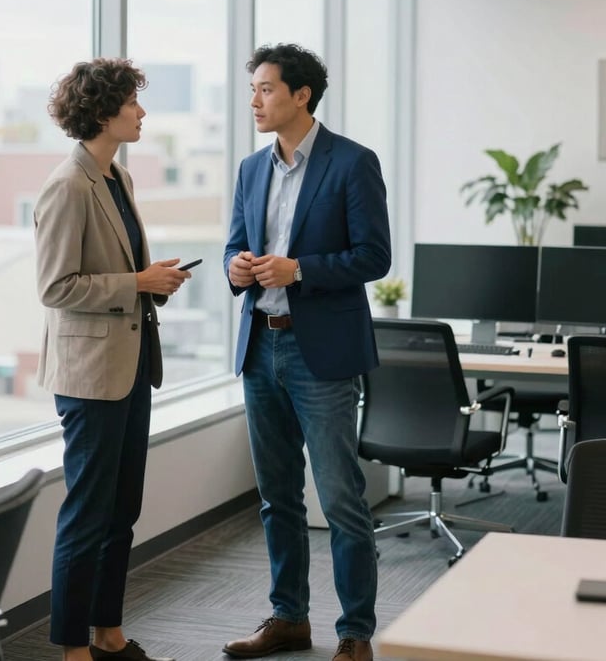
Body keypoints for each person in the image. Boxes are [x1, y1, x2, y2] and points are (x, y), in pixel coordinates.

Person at [222, 43, 391, 661]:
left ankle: (355, 633)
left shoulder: (352, 163)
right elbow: (234, 246)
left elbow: (375, 257)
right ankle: (288, 616)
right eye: (253, 90)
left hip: (320, 353)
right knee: (277, 497)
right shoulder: (249, 169)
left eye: (266, 89)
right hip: (258, 350)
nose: (255, 101)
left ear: (302, 96)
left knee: (342, 499)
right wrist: (236, 267)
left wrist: (300, 270)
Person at [34, 57, 193, 661]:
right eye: (132, 102)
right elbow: (56, 287)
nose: (141, 111)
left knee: (123, 508)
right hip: (90, 375)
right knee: (88, 512)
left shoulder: (116, 178)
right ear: (103, 111)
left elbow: (120, 271)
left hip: (130, 364)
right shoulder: (68, 185)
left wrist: (149, 280)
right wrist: (137, 282)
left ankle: (107, 630)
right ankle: (73, 646)